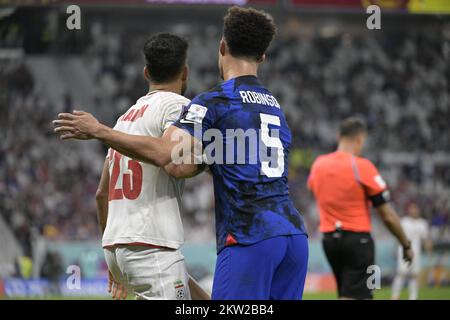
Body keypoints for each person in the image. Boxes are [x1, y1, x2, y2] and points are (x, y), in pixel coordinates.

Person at [53, 6, 309, 300]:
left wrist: (100, 131)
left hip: (249, 236)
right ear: (262, 56)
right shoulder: (276, 108)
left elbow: (170, 159)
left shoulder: (213, 101)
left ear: (222, 46)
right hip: (294, 237)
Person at [63, 32, 208, 300]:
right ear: (185, 72)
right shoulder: (179, 107)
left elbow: (101, 195)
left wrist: (113, 257)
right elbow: (169, 156)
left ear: (145, 73)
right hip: (151, 245)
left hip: (119, 247)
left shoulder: (125, 119)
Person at [307, 117, 414, 300]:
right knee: (361, 295)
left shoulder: (318, 165)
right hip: (358, 241)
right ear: (360, 139)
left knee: (350, 294)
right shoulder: (362, 166)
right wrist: (406, 244)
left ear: (338, 136)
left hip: (330, 241)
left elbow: (312, 189)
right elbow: (387, 215)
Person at [391, 203, 432, 300]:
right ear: (408, 210)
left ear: (418, 210)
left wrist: (429, 252)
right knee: (401, 273)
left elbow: (426, 239)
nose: (413, 211)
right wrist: (394, 249)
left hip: (416, 252)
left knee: (414, 276)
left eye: (415, 208)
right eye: (411, 209)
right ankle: (395, 296)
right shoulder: (404, 221)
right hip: (404, 250)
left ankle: (413, 297)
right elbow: (398, 235)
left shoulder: (423, 223)